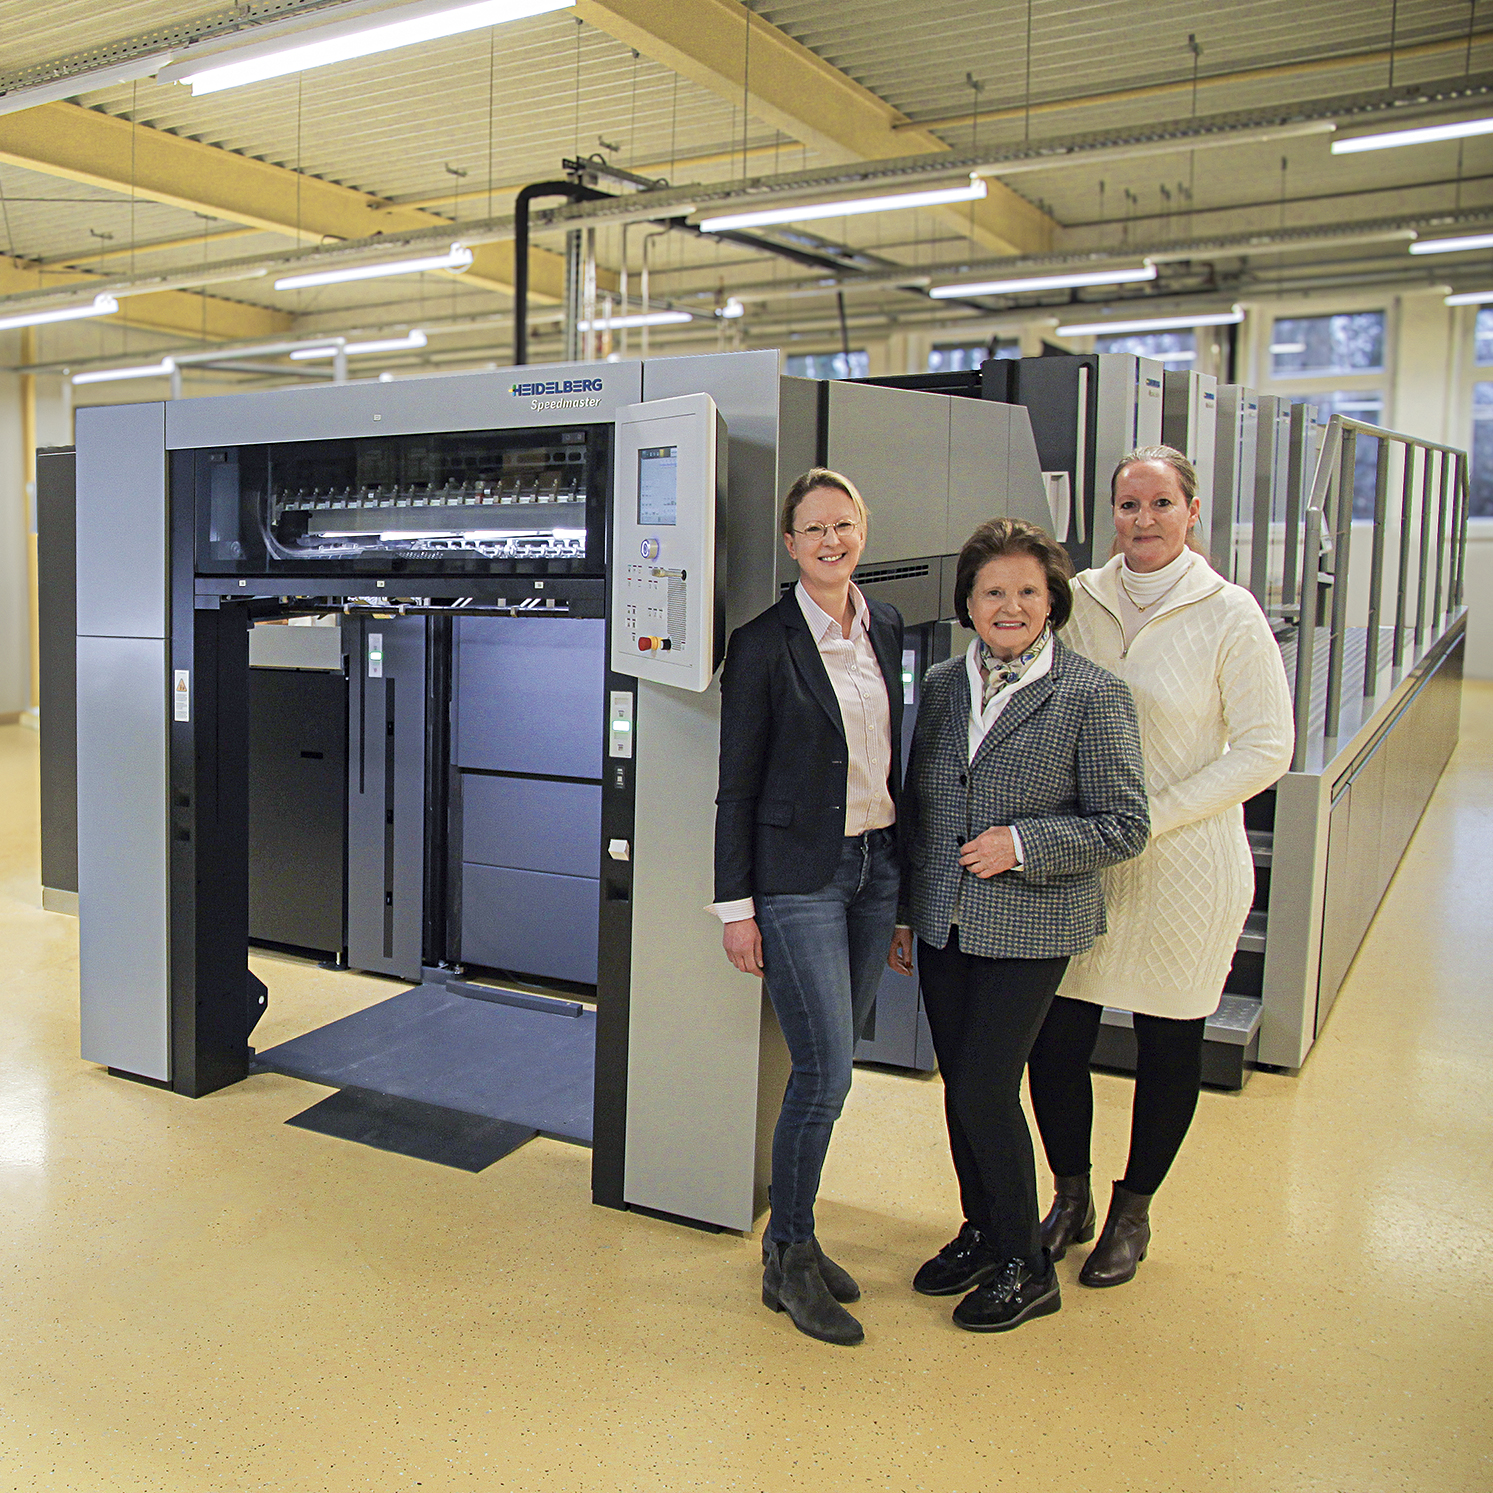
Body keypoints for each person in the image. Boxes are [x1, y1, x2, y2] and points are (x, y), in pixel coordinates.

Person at [1027, 445, 1294, 1288]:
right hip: (1082, 863)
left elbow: (1265, 747)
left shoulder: (1229, 613)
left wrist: (1154, 815)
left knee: (1167, 1041)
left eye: (1159, 503)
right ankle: (1068, 1196)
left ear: (1191, 510)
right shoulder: (1081, 600)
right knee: (1055, 1036)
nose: (1142, 520)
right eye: (1127, 504)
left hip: (1184, 865)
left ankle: (1131, 1210)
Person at [890, 517, 1149, 1333]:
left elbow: (1123, 824)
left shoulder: (1091, 695)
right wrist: (905, 910)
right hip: (943, 921)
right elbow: (919, 808)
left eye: (1027, 591)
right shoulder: (938, 685)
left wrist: (1024, 842)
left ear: (1053, 601)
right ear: (967, 600)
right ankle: (983, 1228)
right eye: (992, 590)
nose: (1009, 605)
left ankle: (1027, 1263)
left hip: (1031, 924)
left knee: (982, 1085)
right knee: (960, 1093)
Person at [711, 467, 904, 1348]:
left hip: (875, 868)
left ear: (863, 529)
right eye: (813, 529)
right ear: (790, 544)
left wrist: (901, 893)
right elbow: (736, 787)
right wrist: (735, 908)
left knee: (836, 1065)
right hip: (796, 880)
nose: (831, 541)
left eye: (844, 525)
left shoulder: (885, 626)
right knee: (822, 1070)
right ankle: (788, 1253)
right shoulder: (761, 643)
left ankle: (793, 1238)